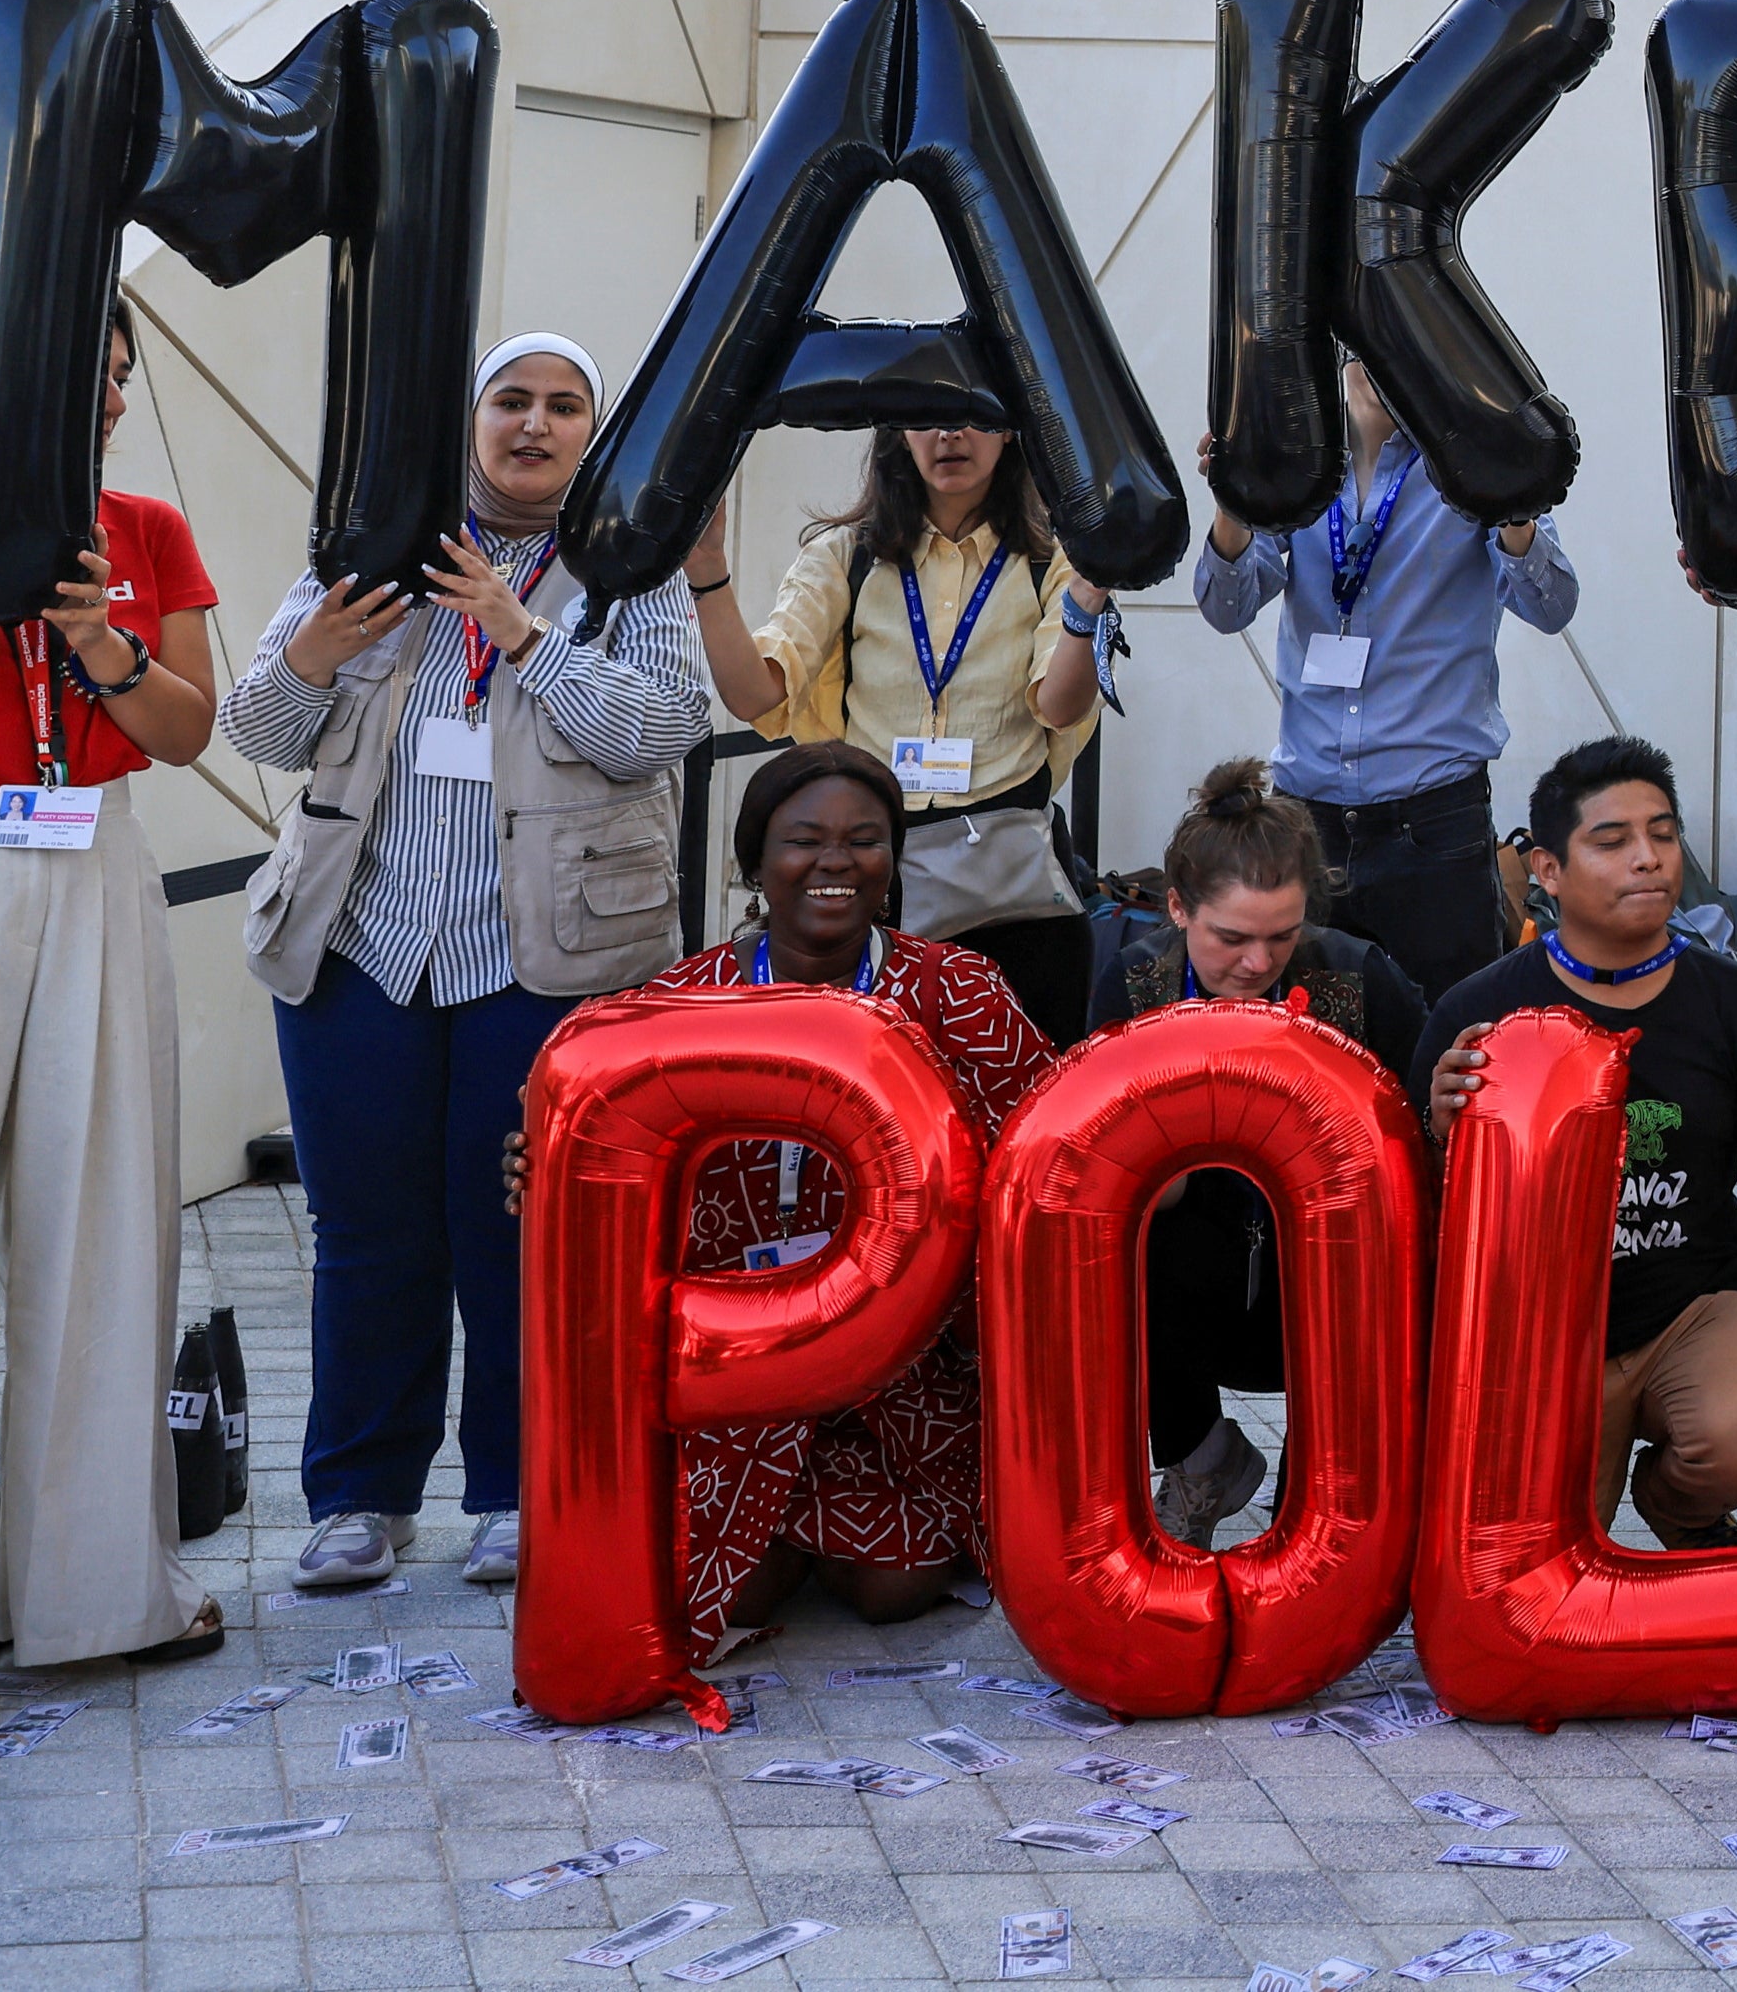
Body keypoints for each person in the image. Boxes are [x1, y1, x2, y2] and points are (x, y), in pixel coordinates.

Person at [225, 328, 714, 1598]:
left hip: (543, 956)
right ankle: (359, 1499)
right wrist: (313, 655)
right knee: (366, 1232)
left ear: (590, 436)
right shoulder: (377, 542)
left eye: (563, 407)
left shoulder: (629, 566)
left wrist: (524, 632)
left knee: (523, 1230)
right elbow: (259, 733)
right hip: (364, 944)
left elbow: (661, 728)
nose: (534, 426)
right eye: (512, 400)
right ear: (474, 418)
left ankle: (515, 1490)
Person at [588, 743, 1056, 1655]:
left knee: (896, 1587)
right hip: (737, 1370)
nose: (836, 862)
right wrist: (539, 1166)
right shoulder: (680, 1008)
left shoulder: (957, 992)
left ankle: (806, 1527)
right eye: (805, 840)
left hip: (909, 1366)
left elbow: (1046, 1153)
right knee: (732, 1589)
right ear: (756, 862)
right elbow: (600, 1162)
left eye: (865, 841)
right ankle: (775, 1531)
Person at [0, 297, 223, 1665]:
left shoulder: (146, 530)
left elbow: (188, 729)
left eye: (118, 375)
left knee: (99, 1215)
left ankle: (95, 1595)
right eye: (82, 370)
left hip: (92, 849)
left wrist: (105, 644)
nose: (106, 396)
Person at [1416, 738, 1737, 1545]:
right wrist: (1438, 1134)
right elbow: (1421, 1220)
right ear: (1547, 869)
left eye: (1662, 835)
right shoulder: (1478, 1013)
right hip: (1542, 1342)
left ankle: (1683, 1511)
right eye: (1612, 842)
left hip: (1694, 1314)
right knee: (1527, 1567)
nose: (1647, 859)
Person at [1075, 758, 1432, 1545]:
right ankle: (1197, 1458)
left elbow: (1431, 1131)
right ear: (1177, 909)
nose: (1257, 963)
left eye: (1281, 936)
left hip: (1333, 1273)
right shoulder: (1137, 981)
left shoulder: (1357, 976)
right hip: (1192, 1266)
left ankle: (1321, 1508)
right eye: (1231, 938)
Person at [692, 413, 1113, 1037]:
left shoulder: (1054, 559)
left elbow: (1060, 706)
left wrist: (1089, 599)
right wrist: (708, 572)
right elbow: (754, 694)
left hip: (1011, 887)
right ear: (897, 433)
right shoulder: (845, 553)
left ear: (1010, 433)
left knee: (1023, 1102)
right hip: (876, 875)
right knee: (877, 1100)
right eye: (926, 417)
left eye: (978, 417)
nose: (950, 434)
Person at [1191, 354, 1582, 1003]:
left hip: (1432, 818)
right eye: (1361, 342)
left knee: (1449, 1035)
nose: (1378, 360)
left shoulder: (1468, 461)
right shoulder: (1299, 456)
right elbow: (1225, 607)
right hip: (1307, 816)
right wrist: (1233, 503)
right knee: (1311, 1042)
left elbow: (1551, 606)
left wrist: (1515, 501)